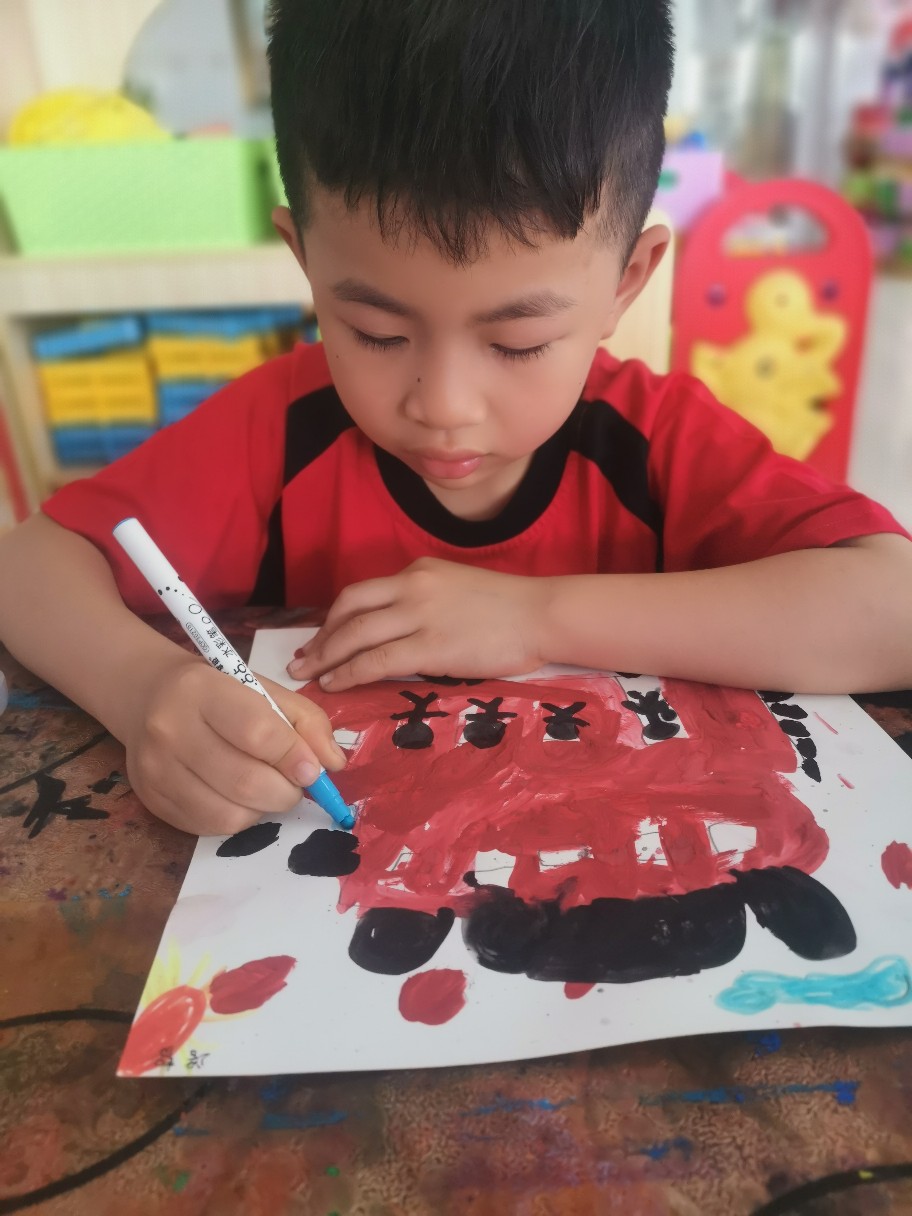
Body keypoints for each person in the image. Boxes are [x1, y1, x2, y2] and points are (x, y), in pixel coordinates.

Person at [1, 0, 910, 839]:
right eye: (377, 332)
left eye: (518, 342)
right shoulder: (279, 432)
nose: (442, 405)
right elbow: (27, 568)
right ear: (305, 259)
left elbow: (892, 607)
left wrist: (540, 619)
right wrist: (144, 688)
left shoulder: (651, 440)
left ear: (627, 282)